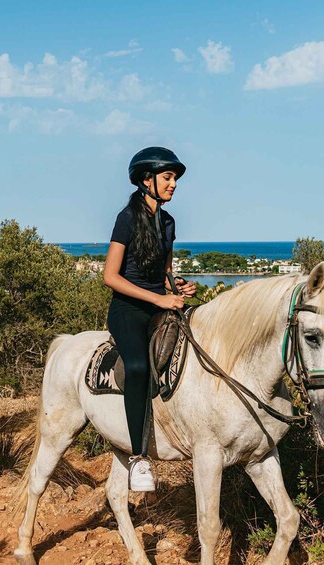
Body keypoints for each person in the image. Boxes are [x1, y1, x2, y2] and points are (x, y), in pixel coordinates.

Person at [102, 147, 197, 491]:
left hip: (160, 305)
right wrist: (158, 297)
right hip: (127, 310)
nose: (174, 184)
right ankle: (139, 458)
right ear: (147, 180)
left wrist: (178, 285)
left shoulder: (168, 222)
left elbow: (166, 271)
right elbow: (110, 276)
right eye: (168, 177)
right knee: (139, 367)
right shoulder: (126, 219)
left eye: (175, 178)